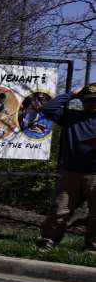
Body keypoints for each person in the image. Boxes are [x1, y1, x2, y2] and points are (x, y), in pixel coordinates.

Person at [38, 83, 96, 251]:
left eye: (95, 101)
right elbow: (47, 108)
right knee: (60, 208)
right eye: (89, 101)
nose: (92, 104)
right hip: (71, 173)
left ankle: (92, 247)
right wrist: (71, 94)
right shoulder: (71, 117)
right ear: (82, 101)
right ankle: (48, 241)